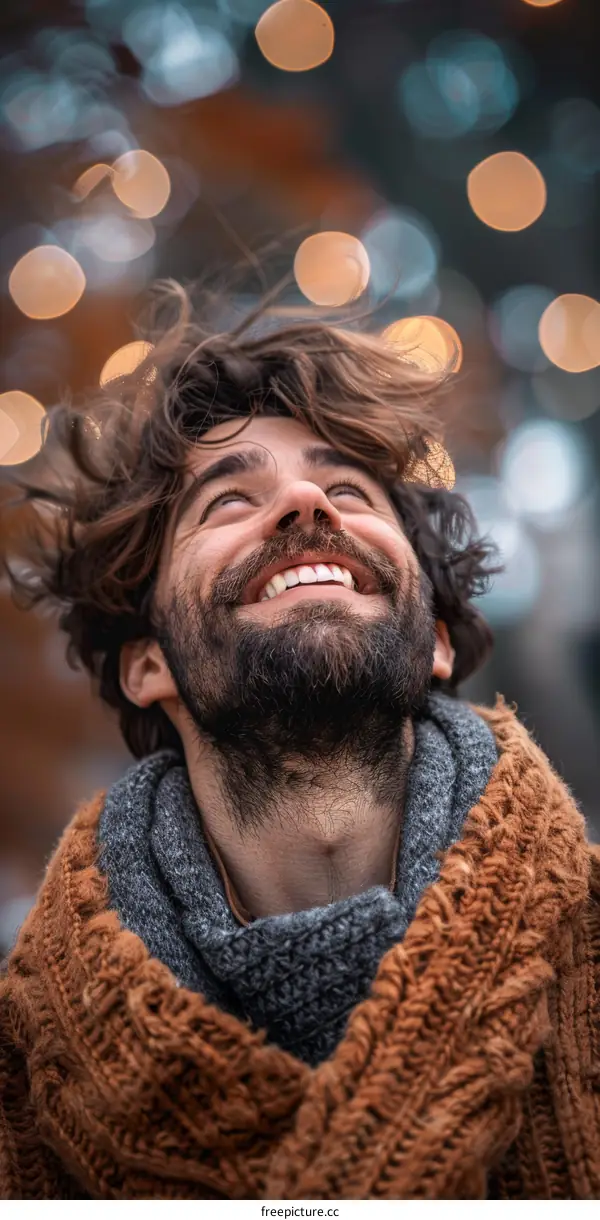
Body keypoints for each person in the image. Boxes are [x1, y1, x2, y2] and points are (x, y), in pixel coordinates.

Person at [1, 283, 599, 1201]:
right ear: (147, 664)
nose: (304, 500)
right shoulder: (19, 1076)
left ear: (436, 638)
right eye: (227, 499)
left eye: (349, 487)